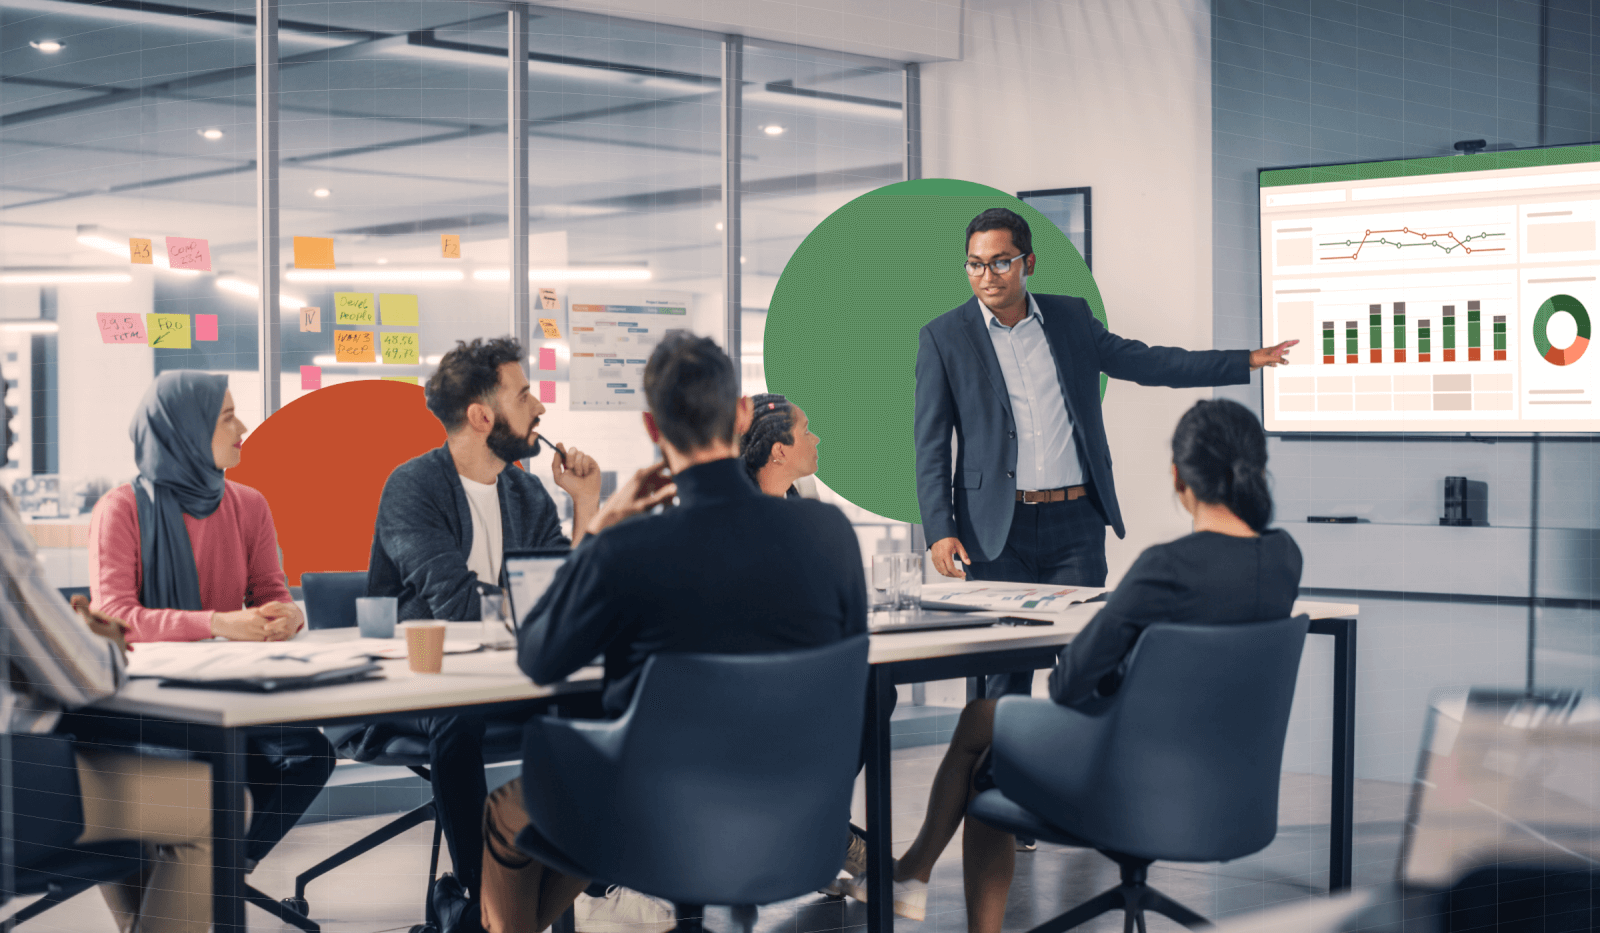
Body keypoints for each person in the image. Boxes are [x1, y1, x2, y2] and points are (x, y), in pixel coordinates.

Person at [847, 398, 1303, 931]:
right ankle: (913, 873)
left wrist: (1118, 636)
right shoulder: (1283, 559)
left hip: (1128, 780)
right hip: (1225, 786)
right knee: (985, 724)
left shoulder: (1167, 568)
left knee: (981, 741)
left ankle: (920, 880)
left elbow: (1067, 686)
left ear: (1179, 476)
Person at [478, 333, 868, 933]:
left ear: (651, 427)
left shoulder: (631, 547)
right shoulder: (829, 535)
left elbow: (539, 656)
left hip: (656, 823)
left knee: (507, 812)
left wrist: (603, 525)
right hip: (796, 814)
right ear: (740, 415)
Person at [914, 207, 1297, 703]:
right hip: (994, 530)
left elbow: (1149, 361)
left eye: (1001, 262)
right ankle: (994, 776)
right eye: (975, 264)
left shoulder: (1070, 317)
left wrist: (1244, 360)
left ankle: (1082, 773)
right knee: (1003, 676)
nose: (987, 276)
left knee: (1087, 662)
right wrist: (940, 530)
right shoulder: (944, 336)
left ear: (1029, 262)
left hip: (1074, 525)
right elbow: (930, 441)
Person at [363, 337, 602, 931]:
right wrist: (531, 611)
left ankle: (506, 907)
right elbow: (459, 608)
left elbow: (568, 606)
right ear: (481, 416)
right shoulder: (412, 487)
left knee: (603, 703)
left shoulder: (526, 493)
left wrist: (586, 508)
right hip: (420, 687)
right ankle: (479, 897)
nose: (540, 407)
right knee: (458, 717)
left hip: (507, 678)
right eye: (524, 395)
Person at [87, 370, 336, 872]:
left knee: (311, 756)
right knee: (204, 775)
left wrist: (287, 615)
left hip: (231, 688)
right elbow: (114, 616)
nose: (243, 427)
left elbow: (270, 592)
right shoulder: (121, 510)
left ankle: (218, 873)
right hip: (152, 702)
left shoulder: (249, 505)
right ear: (186, 429)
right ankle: (203, 878)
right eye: (227, 417)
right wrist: (218, 623)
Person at [739, 392, 820, 498]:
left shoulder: (805, 488)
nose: (816, 439)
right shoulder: (737, 506)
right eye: (805, 432)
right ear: (779, 452)